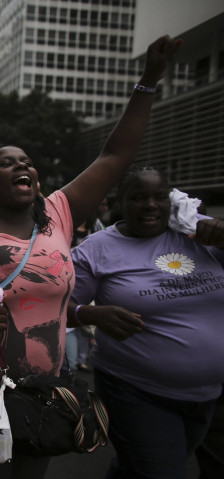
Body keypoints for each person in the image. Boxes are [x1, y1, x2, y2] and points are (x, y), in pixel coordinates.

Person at [0, 35, 181, 478]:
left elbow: (116, 155)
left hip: (43, 395)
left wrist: (149, 80)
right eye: (8, 163)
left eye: (28, 162)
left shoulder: (57, 214)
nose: (23, 166)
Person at [69, 166, 224, 479]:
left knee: (141, 468)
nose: (150, 205)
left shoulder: (200, 236)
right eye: (138, 198)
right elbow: (53, 304)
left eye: (159, 197)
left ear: (172, 201)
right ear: (120, 203)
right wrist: (89, 313)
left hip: (210, 396)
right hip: (137, 392)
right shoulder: (96, 249)